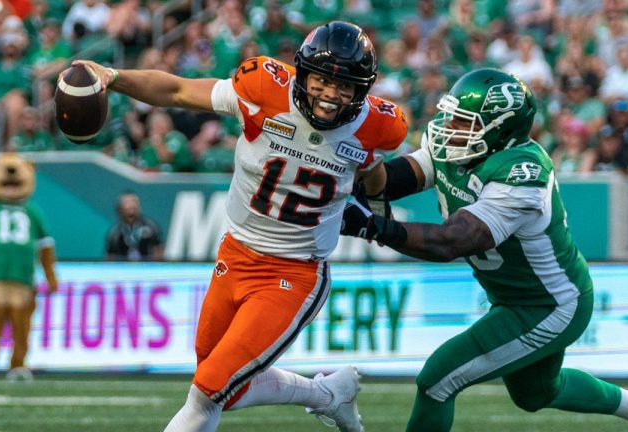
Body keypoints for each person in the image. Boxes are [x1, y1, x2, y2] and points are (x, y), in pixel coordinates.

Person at [69, 20, 406, 432]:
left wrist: (370, 196)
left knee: (208, 388)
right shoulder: (262, 89)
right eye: (321, 80)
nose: (331, 95)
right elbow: (177, 90)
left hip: (295, 272)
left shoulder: (378, 126)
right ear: (302, 72)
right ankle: (330, 395)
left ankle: (330, 396)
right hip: (235, 254)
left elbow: (374, 176)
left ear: (362, 91)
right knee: (221, 388)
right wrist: (114, 77)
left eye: (346, 86)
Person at [341, 68, 628, 432]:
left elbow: (452, 241)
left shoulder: (522, 174)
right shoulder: (457, 146)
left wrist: (372, 225)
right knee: (535, 394)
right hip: (517, 297)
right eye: (451, 115)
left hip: (550, 304)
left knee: (438, 380)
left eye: (462, 121)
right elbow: (394, 179)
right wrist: (363, 167)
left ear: (500, 129)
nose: (448, 126)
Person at [105, 191, 164, 261]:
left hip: (147, 268)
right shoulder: (114, 232)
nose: (132, 205)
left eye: (134, 201)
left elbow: (158, 250)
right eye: (127, 202)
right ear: (119, 208)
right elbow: (110, 257)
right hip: (123, 269)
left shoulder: (151, 226)